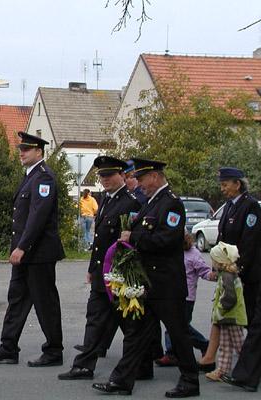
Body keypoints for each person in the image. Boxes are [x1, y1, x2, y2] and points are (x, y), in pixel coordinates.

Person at [92, 158, 199, 398]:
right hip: (147, 283)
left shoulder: (171, 204)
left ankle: (190, 380)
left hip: (166, 284)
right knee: (137, 332)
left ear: (155, 176)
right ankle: (123, 380)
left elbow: (167, 240)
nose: (139, 184)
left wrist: (133, 238)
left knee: (178, 334)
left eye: (141, 179)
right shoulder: (152, 202)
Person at [0, 131, 65, 367]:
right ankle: (8, 347)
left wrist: (22, 247)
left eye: (26, 149)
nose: (21, 153)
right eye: (20, 149)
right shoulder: (30, 176)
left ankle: (54, 351)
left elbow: (38, 216)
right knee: (17, 299)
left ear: (39, 151)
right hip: (26, 253)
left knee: (45, 302)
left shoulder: (44, 177)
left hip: (38, 253)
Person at [58, 156, 140, 380]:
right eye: (102, 175)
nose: (105, 179)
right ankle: (85, 365)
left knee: (129, 322)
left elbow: (129, 242)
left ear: (122, 175)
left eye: (109, 175)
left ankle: (142, 363)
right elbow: (100, 240)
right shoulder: (105, 199)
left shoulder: (130, 203)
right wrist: (92, 268)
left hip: (118, 274)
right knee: (95, 317)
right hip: (101, 273)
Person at [156, 232, 215, 367]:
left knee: (181, 327)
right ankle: (171, 353)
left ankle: (203, 344)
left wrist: (213, 275)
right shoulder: (172, 251)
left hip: (187, 297)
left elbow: (204, 271)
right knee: (172, 325)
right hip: (171, 294)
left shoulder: (193, 254)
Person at [216, 167, 261, 324]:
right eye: (221, 185)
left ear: (237, 184)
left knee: (249, 316)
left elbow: (249, 242)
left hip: (246, 273)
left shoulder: (250, 205)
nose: (222, 189)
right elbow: (222, 236)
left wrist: (238, 268)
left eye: (225, 185)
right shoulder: (229, 205)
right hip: (228, 271)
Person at [204, 242, 247, 382]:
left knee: (239, 346)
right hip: (227, 318)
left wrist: (220, 310)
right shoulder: (226, 275)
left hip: (232, 317)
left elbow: (229, 298)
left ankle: (250, 369)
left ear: (219, 261)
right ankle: (222, 371)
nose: (212, 263)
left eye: (213, 260)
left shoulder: (227, 277)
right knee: (225, 345)